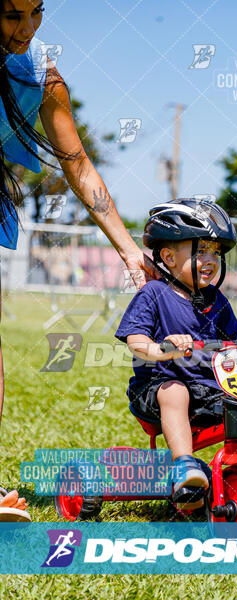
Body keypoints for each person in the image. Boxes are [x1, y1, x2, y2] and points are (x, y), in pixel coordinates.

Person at [0, 0, 155, 520]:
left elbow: (77, 162)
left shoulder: (41, 69)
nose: (26, 28)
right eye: (9, 14)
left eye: (36, 12)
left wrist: (130, 250)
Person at [115, 198, 237, 522]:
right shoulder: (153, 294)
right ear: (167, 256)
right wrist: (162, 348)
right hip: (156, 390)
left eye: (216, 253)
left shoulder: (216, 300)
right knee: (175, 390)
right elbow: (136, 341)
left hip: (207, 390)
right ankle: (184, 469)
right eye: (200, 251)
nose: (210, 260)